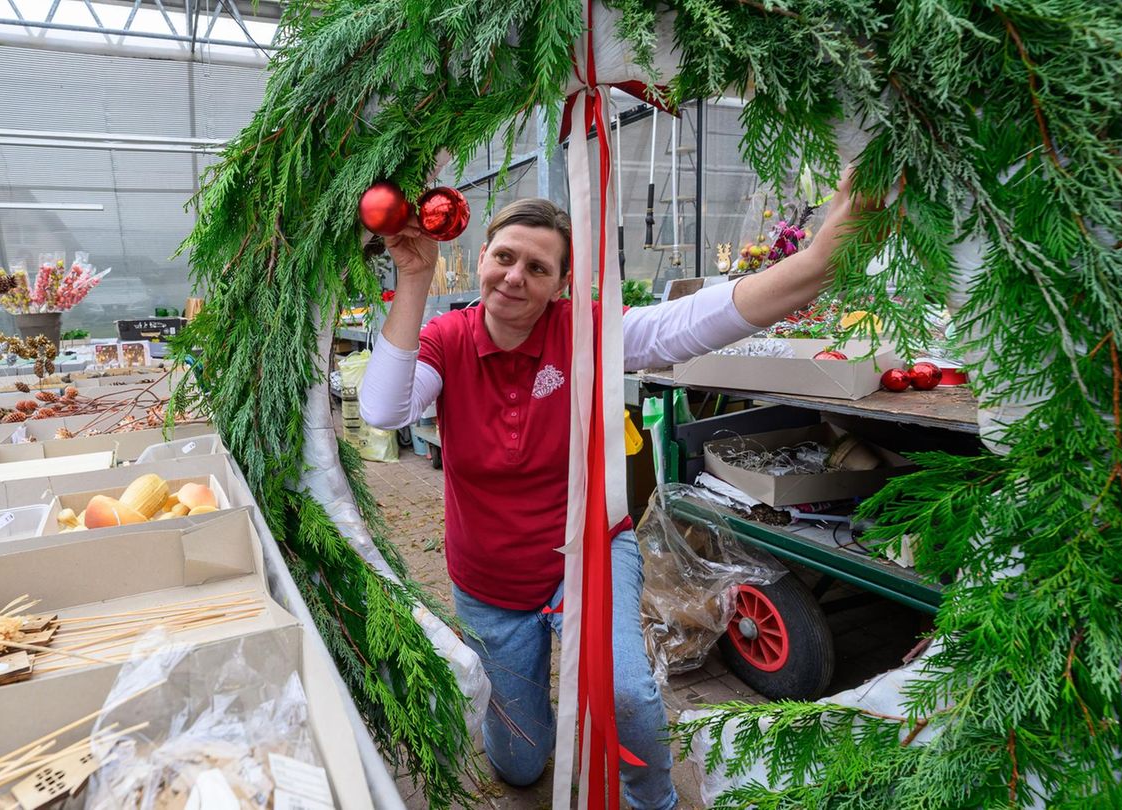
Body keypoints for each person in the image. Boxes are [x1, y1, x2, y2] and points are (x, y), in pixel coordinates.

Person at [359, 173, 871, 809]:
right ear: (484, 257)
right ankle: (532, 712)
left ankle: (652, 798)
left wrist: (817, 262)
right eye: (504, 257)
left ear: (560, 285)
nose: (516, 276)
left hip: (586, 555)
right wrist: (414, 278)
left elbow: (690, 323)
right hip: (488, 582)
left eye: (538, 267)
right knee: (520, 766)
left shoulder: (585, 334)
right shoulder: (447, 340)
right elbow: (383, 410)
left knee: (629, 693)